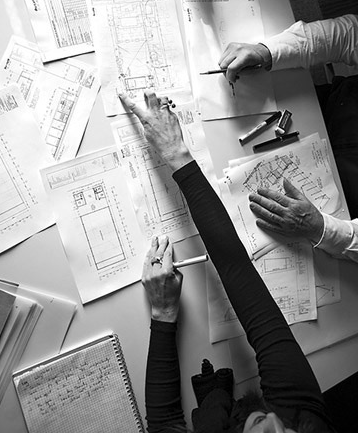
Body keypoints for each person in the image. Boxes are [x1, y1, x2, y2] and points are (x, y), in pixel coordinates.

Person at [120, 90, 337, 433]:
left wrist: (163, 313)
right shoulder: (306, 421)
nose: (274, 425)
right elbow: (237, 270)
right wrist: (176, 154)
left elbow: (163, 424)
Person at [219, 13, 358, 264]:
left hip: (340, 205)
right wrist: (267, 52)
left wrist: (321, 229)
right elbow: (349, 36)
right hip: (327, 108)